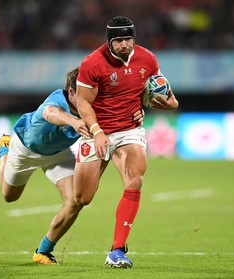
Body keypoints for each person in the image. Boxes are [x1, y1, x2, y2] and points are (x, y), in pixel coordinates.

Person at [0, 67, 144, 265]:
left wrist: (137, 113)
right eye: (82, 92)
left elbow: (117, 114)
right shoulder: (57, 99)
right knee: (9, 196)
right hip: (25, 149)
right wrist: (73, 122)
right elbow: (50, 113)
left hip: (58, 154)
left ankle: (44, 251)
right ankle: (4, 149)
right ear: (71, 92)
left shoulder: (93, 104)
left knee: (76, 200)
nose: (88, 97)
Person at [73, 16, 179, 269]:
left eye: (128, 39)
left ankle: (117, 249)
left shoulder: (148, 58)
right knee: (82, 198)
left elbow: (164, 91)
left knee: (135, 180)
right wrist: (97, 131)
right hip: (96, 131)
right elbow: (83, 102)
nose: (123, 45)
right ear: (109, 41)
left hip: (128, 130)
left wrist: (167, 104)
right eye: (118, 40)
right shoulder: (92, 63)